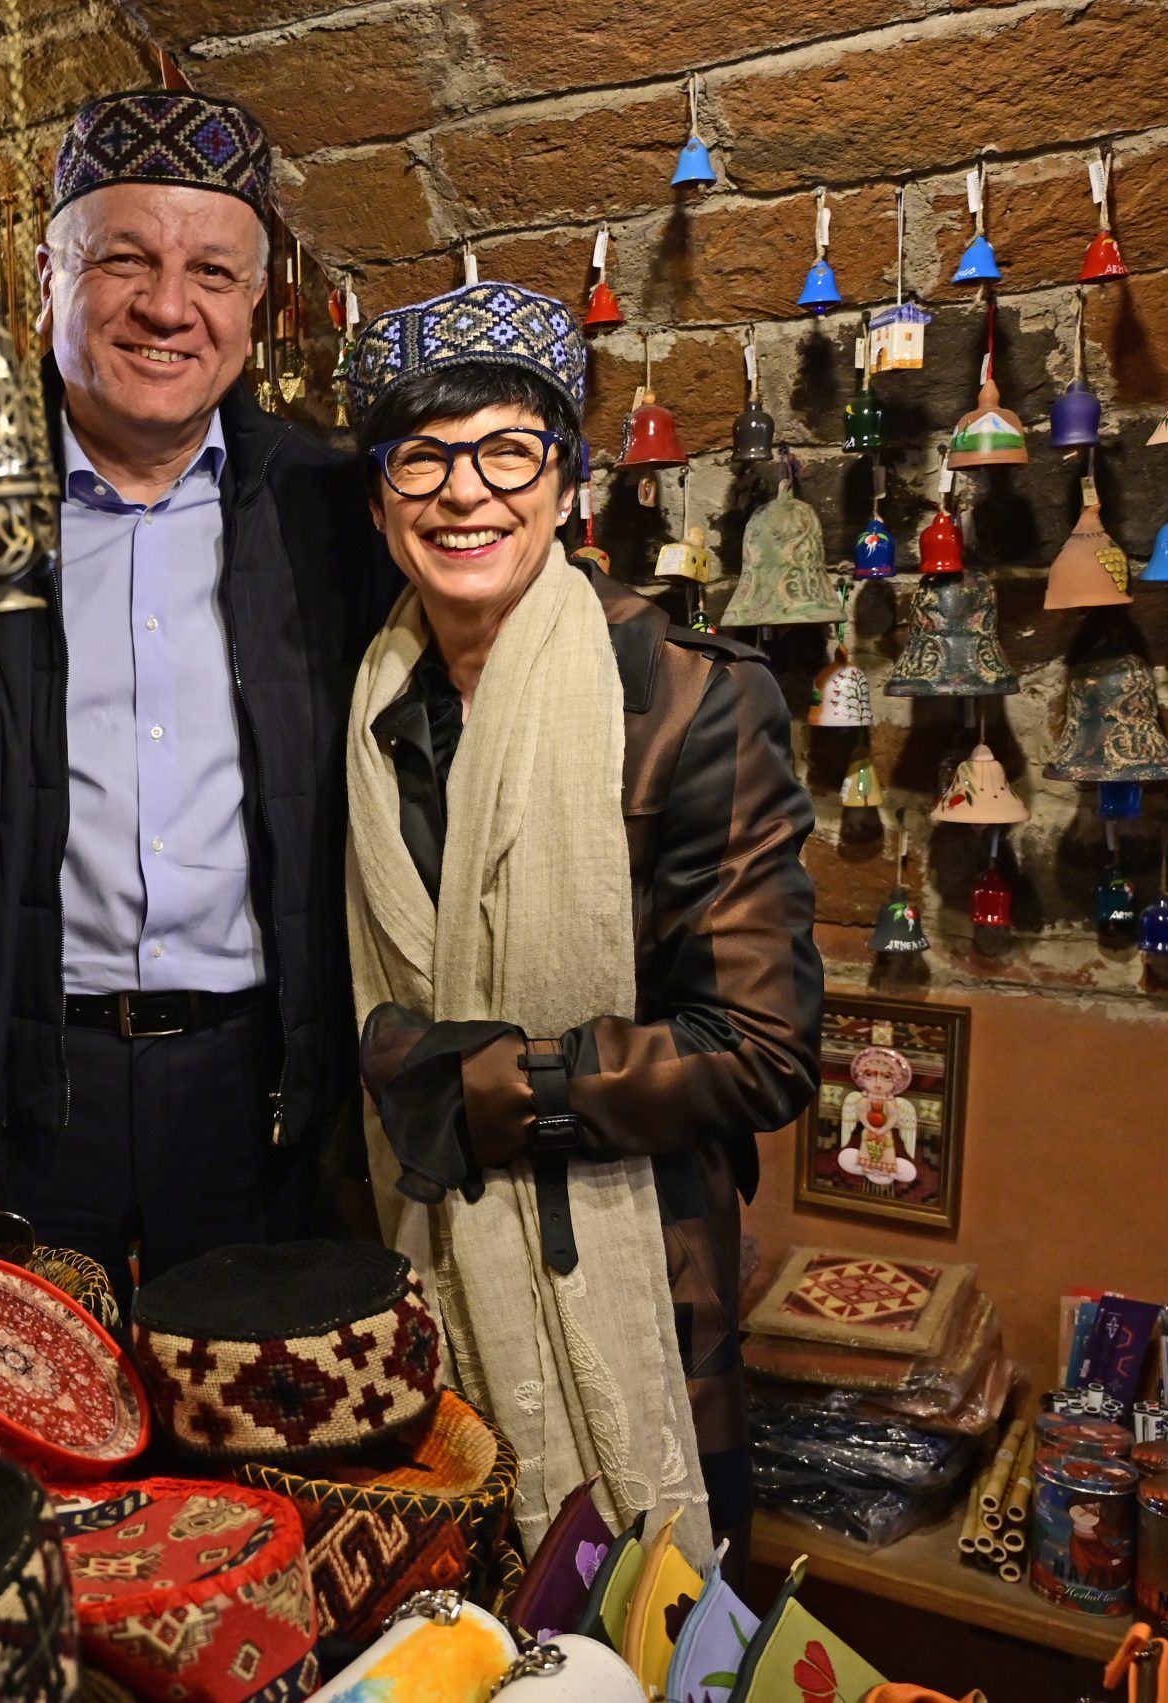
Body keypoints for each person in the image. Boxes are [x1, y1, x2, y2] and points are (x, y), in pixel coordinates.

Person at [0, 90, 395, 1295]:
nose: (168, 306)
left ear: (257, 301)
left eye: (213, 271)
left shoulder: (324, 510)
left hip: (257, 1108)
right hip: (1, 1105)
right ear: (51, 274)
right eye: (125, 258)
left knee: (243, 1458)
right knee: (17, 1450)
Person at [339, 280, 819, 1568]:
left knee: (637, 1634)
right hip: (420, 1274)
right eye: (422, 457)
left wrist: (501, 1088)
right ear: (381, 497)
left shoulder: (687, 697)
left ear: (565, 486)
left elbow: (761, 1046)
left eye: (507, 450)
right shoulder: (370, 710)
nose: (465, 493)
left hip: (645, 1278)